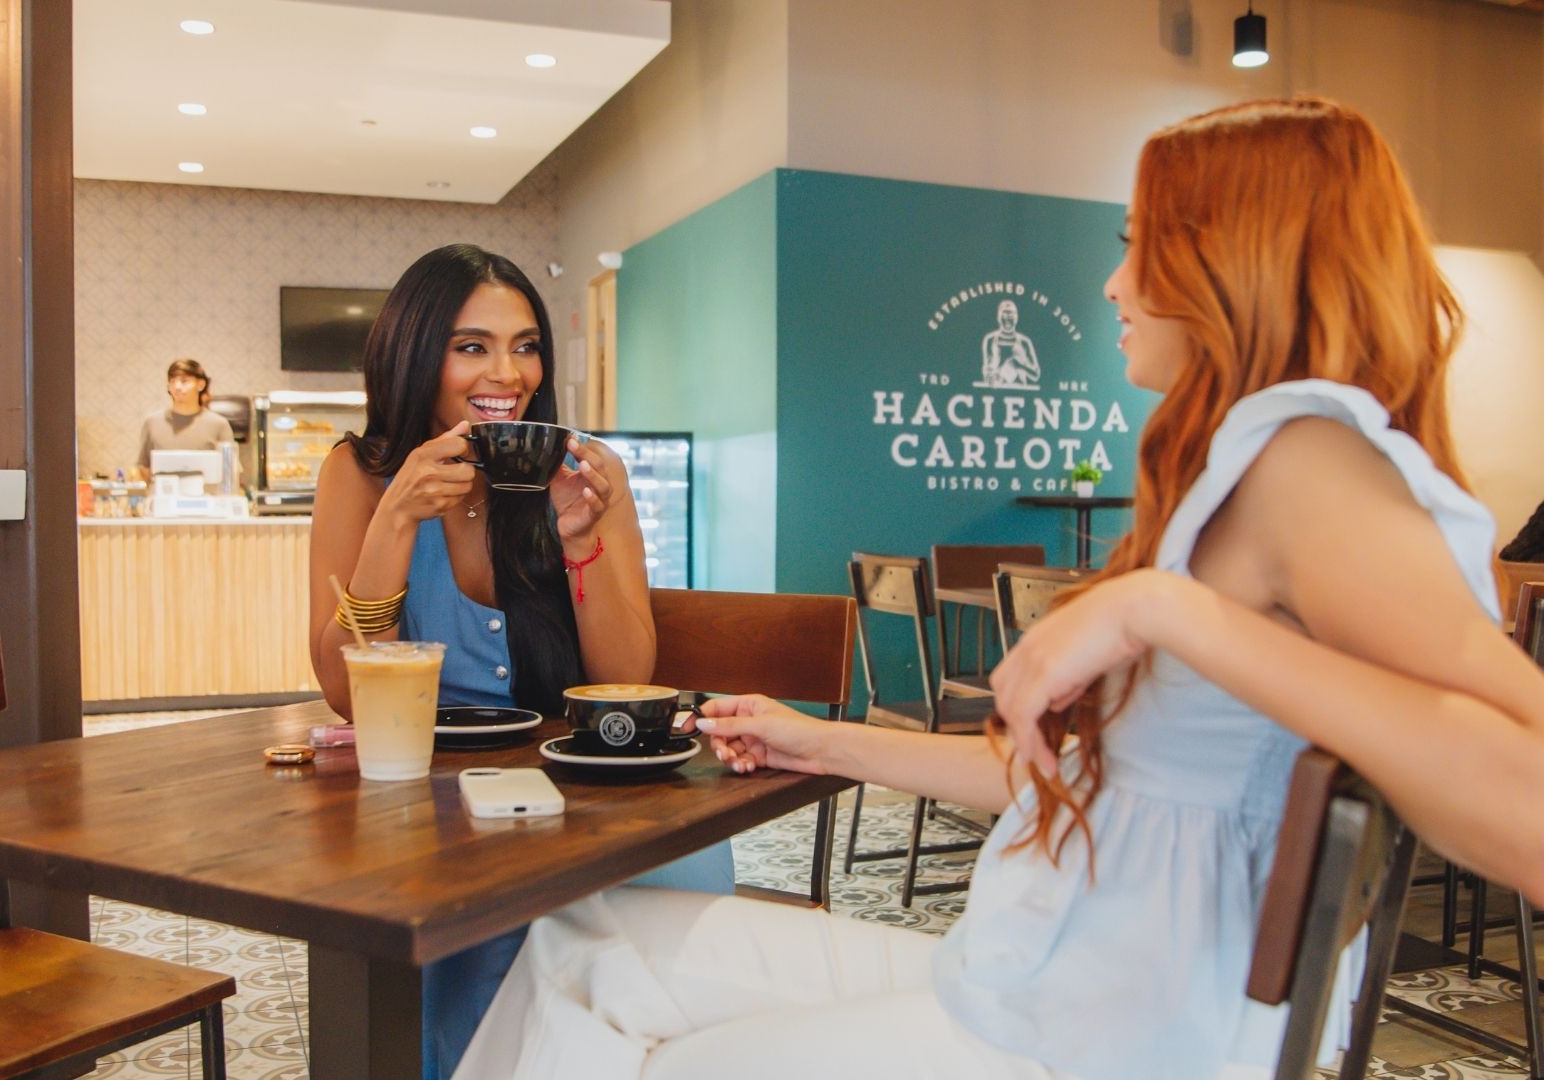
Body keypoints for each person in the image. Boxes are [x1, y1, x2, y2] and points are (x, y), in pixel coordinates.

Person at [456, 98, 1544, 1080]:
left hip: (1097, 1040)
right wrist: (823, 742)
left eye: (1137, 248)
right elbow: (1092, 785)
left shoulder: (1307, 458)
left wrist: (1167, 611)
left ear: (1237, 257)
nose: (1114, 284)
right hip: (1038, 982)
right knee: (579, 945)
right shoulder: (1256, 467)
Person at [308, 243, 733, 1078]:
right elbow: (344, 689)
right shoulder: (360, 474)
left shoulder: (580, 473)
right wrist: (395, 524)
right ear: (414, 351)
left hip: (590, 798)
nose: (508, 372)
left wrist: (581, 545)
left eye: (526, 344)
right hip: (431, 811)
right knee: (466, 958)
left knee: (653, 951)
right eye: (472, 346)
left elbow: (632, 680)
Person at [136, 358, 233, 476]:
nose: (177, 386)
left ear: (201, 384)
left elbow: (230, 470)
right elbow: (143, 467)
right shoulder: (152, 422)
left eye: (184, 381)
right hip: (162, 492)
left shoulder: (219, 424)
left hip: (206, 493)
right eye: (172, 381)